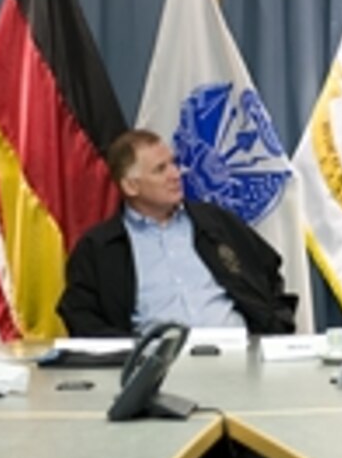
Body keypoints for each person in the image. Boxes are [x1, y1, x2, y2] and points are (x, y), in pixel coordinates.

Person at [57, 128, 295, 337]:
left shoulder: (216, 223)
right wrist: (129, 355)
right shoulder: (99, 248)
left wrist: (275, 326)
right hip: (158, 367)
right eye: (160, 169)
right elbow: (81, 316)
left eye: (173, 163)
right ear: (131, 186)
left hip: (239, 358)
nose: (176, 174)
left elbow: (269, 273)